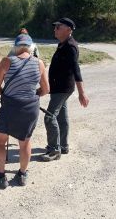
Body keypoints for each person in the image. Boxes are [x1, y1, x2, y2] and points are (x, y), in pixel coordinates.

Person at [0, 33, 49, 188]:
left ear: (15, 47)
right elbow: (46, 89)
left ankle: (1, 176)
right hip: (30, 108)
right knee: (25, 142)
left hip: (10, 107)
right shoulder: (39, 63)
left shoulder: (6, 61)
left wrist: (7, 95)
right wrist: (32, 95)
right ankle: (22, 174)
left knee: (0, 141)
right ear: (31, 48)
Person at [40, 17, 89, 162]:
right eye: (55, 27)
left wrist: (82, 93)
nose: (55, 29)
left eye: (58, 27)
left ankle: (54, 149)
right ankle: (63, 145)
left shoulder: (70, 46)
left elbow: (76, 70)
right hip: (59, 87)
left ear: (68, 30)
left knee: (49, 117)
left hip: (62, 88)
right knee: (61, 117)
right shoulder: (63, 44)